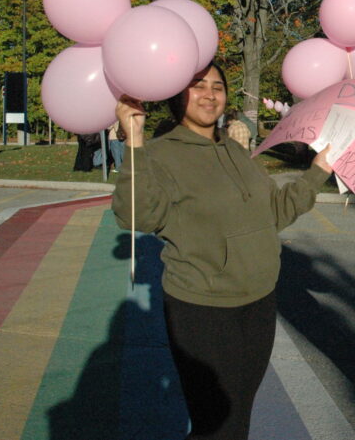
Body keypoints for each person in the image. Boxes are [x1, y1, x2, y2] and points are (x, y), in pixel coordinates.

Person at [111, 62, 332, 440]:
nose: (210, 94)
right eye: (198, 86)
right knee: (218, 423)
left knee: (238, 414)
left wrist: (318, 171)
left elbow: (274, 213)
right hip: (203, 309)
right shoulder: (160, 154)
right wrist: (133, 141)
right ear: (176, 95)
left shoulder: (234, 149)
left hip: (258, 301)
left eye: (218, 86)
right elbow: (137, 215)